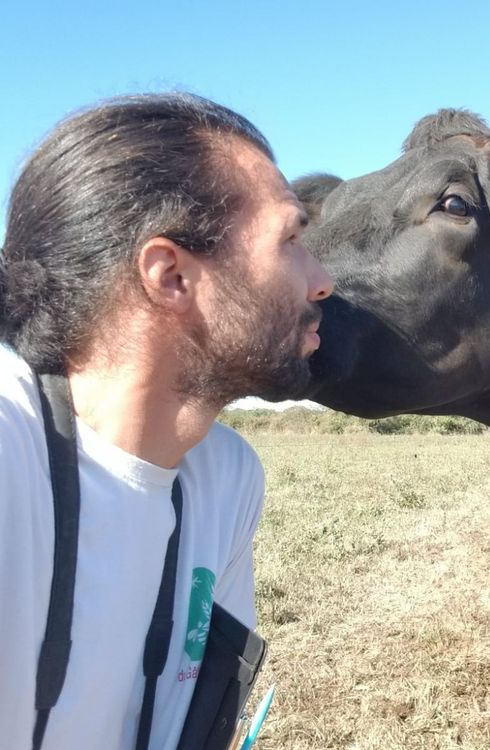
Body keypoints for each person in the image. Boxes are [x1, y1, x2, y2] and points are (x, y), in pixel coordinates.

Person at [0, 93, 333, 748]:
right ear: (171, 276)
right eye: (290, 240)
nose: (321, 279)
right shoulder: (11, 455)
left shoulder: (228, 480)